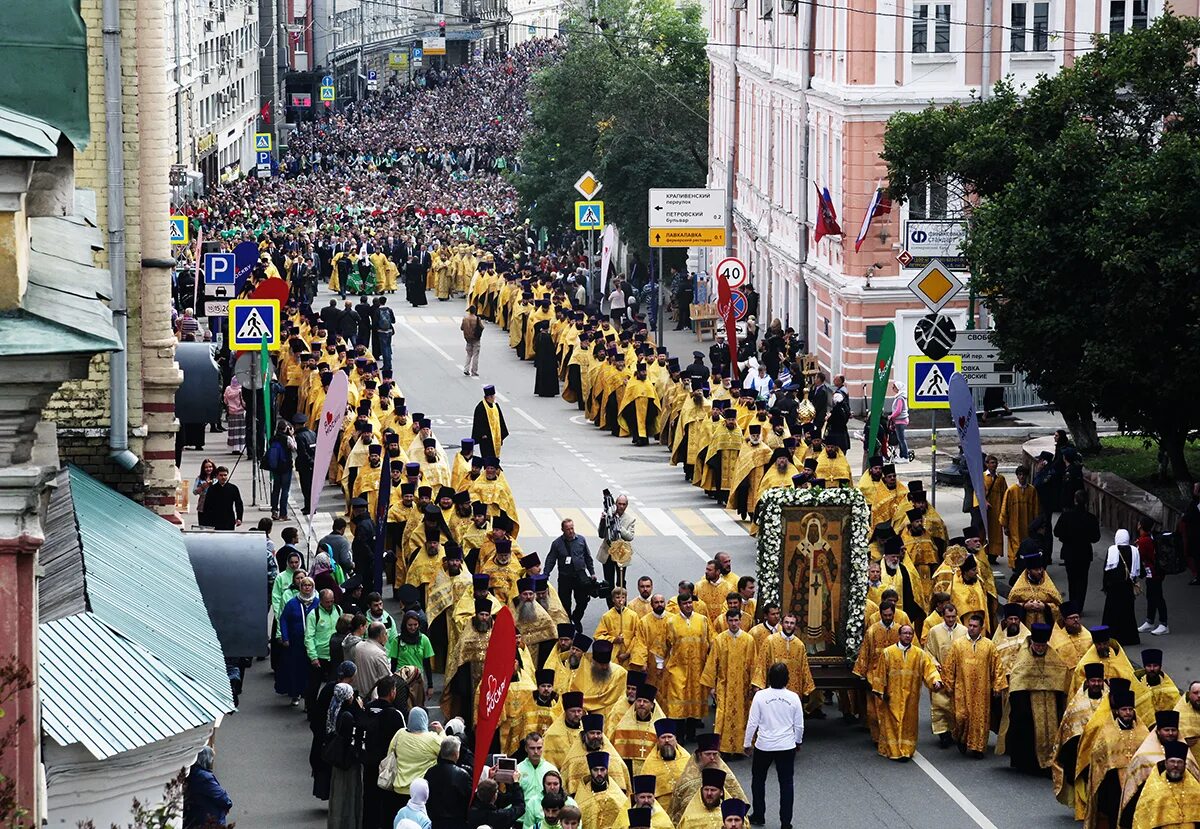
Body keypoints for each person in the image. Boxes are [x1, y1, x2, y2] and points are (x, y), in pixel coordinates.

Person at [868, 623, 943, 761]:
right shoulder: (888, 653)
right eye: (905, 633)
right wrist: (880, 690)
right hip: (892, 695)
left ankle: (906, 750)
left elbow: (929, 670)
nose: (908, 636)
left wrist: (935, 681)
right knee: (893, 723)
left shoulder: (919, 654)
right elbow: (880, 673)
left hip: (911, 696)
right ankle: (894, 750)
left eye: (910, 634)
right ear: (899, 635)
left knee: (909, 723)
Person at [743, 662, 804, 829]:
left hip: (764, 745)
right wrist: (798, 741)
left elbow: (752, 722)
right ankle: (786, 822)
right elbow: (799, 725)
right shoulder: (793, 698)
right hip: (786, 745)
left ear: (769, 679)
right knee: (786, 783)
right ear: (787, 679)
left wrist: (747, 743)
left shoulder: (760, 696)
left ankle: (758, 814)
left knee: (758, 779)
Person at [940, 612, 1006, 757]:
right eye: (969, 625)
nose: (971, 628)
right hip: (962, 688)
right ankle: (960, 738)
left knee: (980, 719)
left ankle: (978, 747)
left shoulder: (989, 645)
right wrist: (948, 685)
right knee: (961, 716)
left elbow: (997, 666)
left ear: (981, 628)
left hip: (982, 690)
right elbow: (949, 666)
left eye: (975, 626)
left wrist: (997, 686)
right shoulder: (958, 644)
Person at [1130, 740, 1200, 828]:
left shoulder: (1196, 790)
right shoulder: (1153, 790)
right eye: (1172, 761)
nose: (1175, 765)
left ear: (1185, 765)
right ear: (1166, 763)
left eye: (1179, 762)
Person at [1055, 490, 1102, 611]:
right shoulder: (1090, 518)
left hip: (1069, 552)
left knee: (1072, 579)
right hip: (1084, 553)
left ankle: (1073, 603)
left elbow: (1057, 532)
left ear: (1075, 500)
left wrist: (1065, 538)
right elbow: (1096, 537)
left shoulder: (1066, 516)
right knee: (1082, 580)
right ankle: (1079, 605)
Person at [327, 682, 365, 829]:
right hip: (348, 762)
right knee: (349, 797)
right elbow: (358, 729)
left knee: (337, 797)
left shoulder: (334, 709)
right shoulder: (348, 715)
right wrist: (361, 709)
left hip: (337, 762)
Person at [546, 519, 597, 625]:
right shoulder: (557, 544)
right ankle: (568, 623)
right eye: (568, 529)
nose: (570, 531)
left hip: (580, 575)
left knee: (583, 601)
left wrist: (592, 573)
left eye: (572, 528)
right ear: (562, 530)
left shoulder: (581, 540)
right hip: (565, 577)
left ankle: (576, 617)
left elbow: (588, 557)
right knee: (565, 603)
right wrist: (546, 574)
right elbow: (551, 560)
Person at [1103, 528, 1143, 646]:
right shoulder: (1134, 550)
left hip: (1114, 588)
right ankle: (1129, 638)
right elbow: (1139, 570)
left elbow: (1107, 570)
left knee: (1112, 612)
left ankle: (1111, 636)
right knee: (1128, 613)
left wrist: (1105, 586)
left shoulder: (1112, 550)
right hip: (1127, 587)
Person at [424, 735, 471, 829]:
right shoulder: (462, 775)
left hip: (434, 821)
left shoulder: (430, 772)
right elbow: (469, 799)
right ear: (456, 754)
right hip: (456, 822)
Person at [1000, 466, 1040, 569]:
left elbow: (1036, 508)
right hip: (1014, 524)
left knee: (1026, 544)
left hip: (1028, 523)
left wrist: (1036, 524)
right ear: (1017, 476)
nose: (1022, 477)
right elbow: (1005, 508)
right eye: (1020, 475)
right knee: (1015, 544)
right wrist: (1005, 525)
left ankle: (1025, 563)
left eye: (1024, 475)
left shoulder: (1032, 490)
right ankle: (1015, 564)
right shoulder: (1011, 490)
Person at [183, 746, 232, 828]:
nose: (212, 761)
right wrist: (228, 804)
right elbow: (221, 797)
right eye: (211, 758)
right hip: (209, 820)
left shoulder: (192, 773)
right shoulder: (204, 777)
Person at [1136, 518, 1169, 636]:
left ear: (1141, 525)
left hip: (1154, 572)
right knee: (1151, 596)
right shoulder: (1149, 538)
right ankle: (1150, 621)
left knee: (1157, 596)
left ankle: (1164, 624)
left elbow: (1138, 556)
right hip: (1155, 572)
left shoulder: (1143, 541)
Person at [599, 494, 636, 596]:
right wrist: (603, 521)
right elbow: (601, 535)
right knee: (608, 584)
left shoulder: (630, 519)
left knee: (620, 583)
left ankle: (621, 606)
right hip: (608, 553)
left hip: (621, 554)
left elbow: (630, 537)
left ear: (627, 505)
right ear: (616, 504)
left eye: (624, 504)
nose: (621, 506)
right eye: (619, 504)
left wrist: (619, 525)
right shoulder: (609, 515)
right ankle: (610, 608)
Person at [265, 420, 296, 521]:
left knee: (276, 489)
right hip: (286, 467)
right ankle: (283, 514)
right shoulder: (287, 439)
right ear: (286, 428)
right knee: (285, 490)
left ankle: (274, 511)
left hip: (275, 467)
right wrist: (292, 435)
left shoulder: (272, 439)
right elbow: (294, 448)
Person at [472, 385, 509, 459]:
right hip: (486, 439)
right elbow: (478, 423)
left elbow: (500, 420)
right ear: (488, 397)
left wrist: (501, 436)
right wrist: (482, 434)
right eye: (492, 396)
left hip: (496, 436)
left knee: (495, 459)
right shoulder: (481, 407)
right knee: (487, 459)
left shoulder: (495, 405)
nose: (494, 398)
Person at [202, 466, 243, 530]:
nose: (223, 477)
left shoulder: (233, 488)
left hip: (229, 520)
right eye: (221, 475)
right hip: (215, 521)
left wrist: (239, 518)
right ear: (217, 476)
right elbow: (207, 506)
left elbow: (239, 504)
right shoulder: (212, 489)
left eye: (225, 475)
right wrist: (206, 521)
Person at [293, 412, 318, 515]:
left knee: (306, 487)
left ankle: (309, 507)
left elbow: (302, 453)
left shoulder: (299, 436)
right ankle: (311, 506)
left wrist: (309, 462)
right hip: (313, 463)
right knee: (312, 487)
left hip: (305, 465)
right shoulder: (312, 433)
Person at [192, 458, 217, 527]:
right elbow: (194, 492)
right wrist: (203, 487)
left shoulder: (217, 478)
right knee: (203, 526)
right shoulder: (199, 478)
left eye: (210, 467)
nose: (208, 469)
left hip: (215, 505)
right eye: (206, 467)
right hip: (202, 505)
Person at [888, 381, 910, 461]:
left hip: (900, 421)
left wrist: (891, 417)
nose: (893, 389)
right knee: (901, 439)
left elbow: (898, 410)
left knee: (901, 439)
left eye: (894, 387)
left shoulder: (900, 398)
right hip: (900, 421)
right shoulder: (899, 397)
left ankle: (905, 456)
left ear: (898, 388)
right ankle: (902, 456)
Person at [462, 305, 483, 377]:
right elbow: (482, 327)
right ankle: (474, 371)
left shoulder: (465, 318)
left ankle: (466, 369)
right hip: (476, 339)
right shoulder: (477, 319)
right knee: (475, 355)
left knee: (468, 354)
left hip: (468, 339)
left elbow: (462, 328)